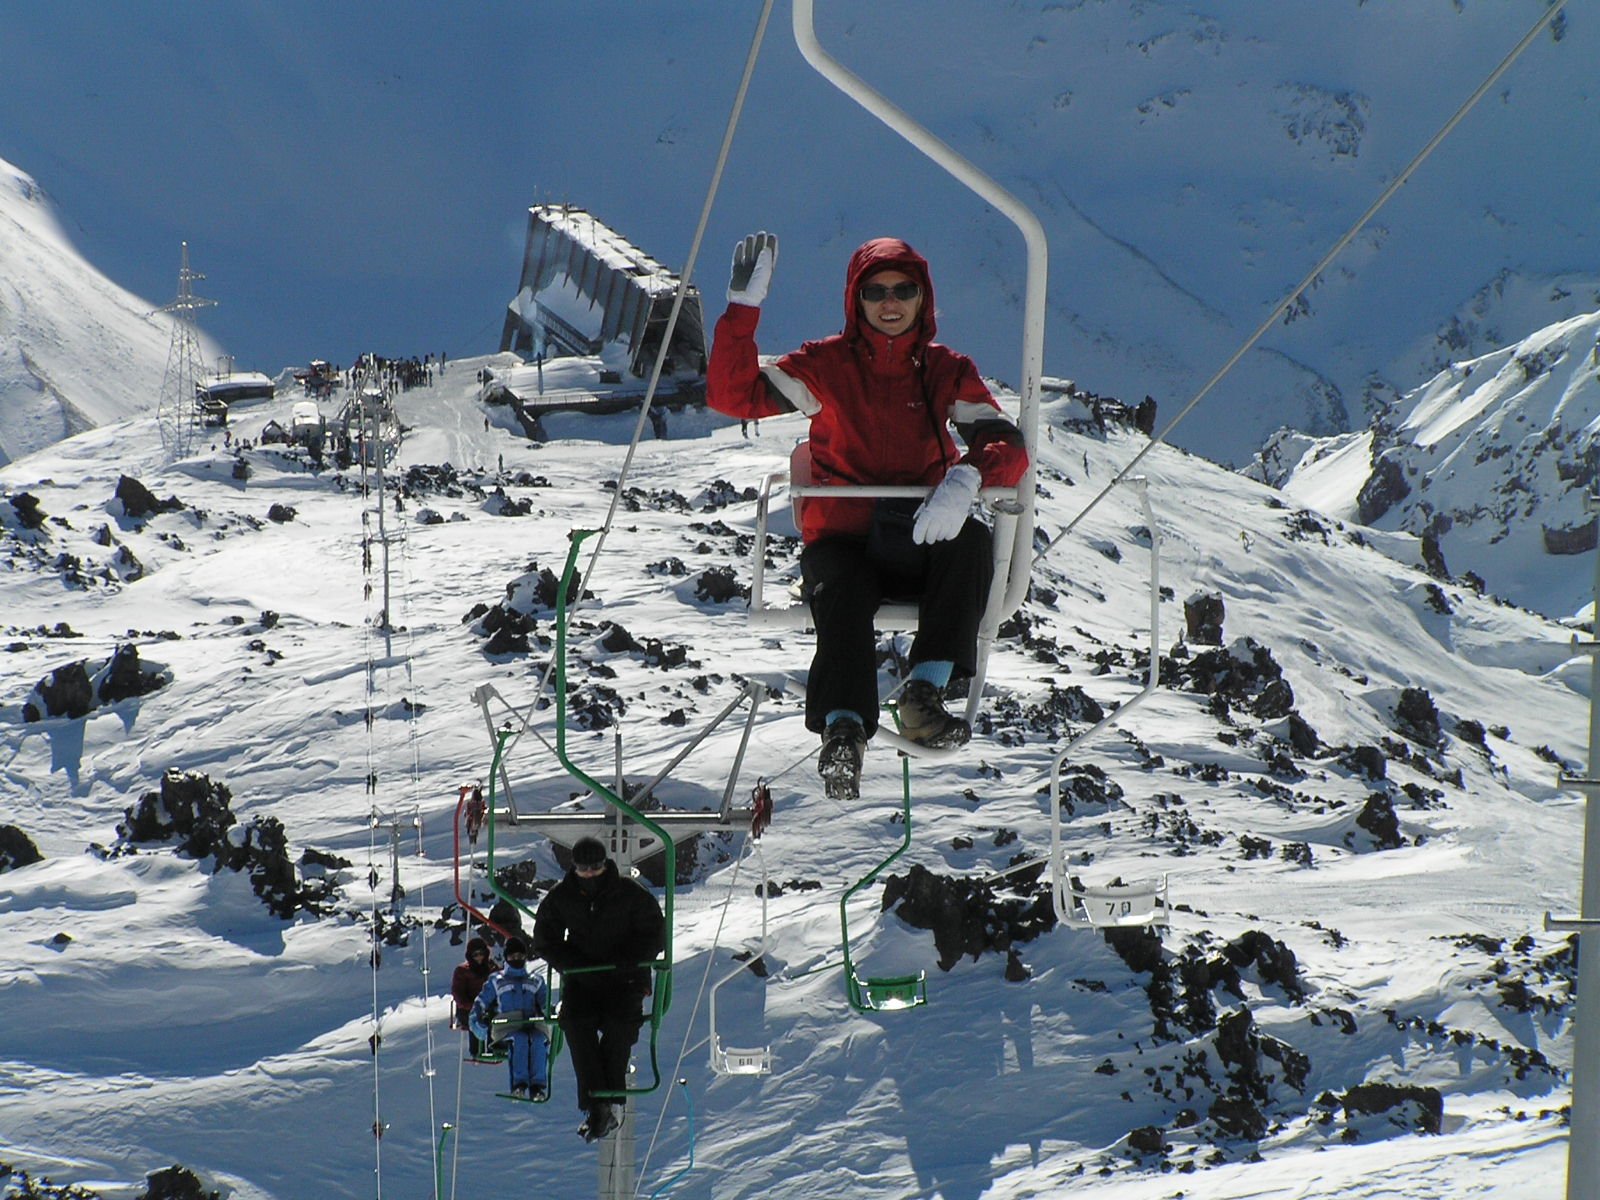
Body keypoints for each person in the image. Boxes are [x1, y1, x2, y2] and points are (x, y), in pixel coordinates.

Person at [706, 231, 1030, 800]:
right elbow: (736, 396)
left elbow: (1005, 440)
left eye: (904, 290)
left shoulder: (944, 372)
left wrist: (969, 476)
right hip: (844, 539)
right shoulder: (825, 366)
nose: (890, 302)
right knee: (843, 591)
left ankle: (923, 695)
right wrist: (742, 311)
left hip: (919, 532)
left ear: (922, 299)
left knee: (971, 543)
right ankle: (843, 731)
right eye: (875, 290)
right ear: (856, 299)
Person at [533, 836, 666, 1142]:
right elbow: (545, 939)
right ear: (574, 868)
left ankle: (606, 1102)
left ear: (605, 864)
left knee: (620, 1028)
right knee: (575, 1023)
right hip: (584, 980)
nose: (591, 874)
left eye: (596, 867)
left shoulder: (629, 893)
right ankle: (599, 1105)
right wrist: (572, 962)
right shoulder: (562, 897)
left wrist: (631, 959)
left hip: (626, 980)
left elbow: (654, 932)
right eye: (585, 869)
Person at [468, 936, 551, 1100]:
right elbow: (479, 1004)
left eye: (520, 957)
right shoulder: (497, 980)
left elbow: (545, 1003)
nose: (516, 960)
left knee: (538, 1040)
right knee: (519, 1040)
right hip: (507, 1025)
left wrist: (546, 1013)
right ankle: (519, 1084)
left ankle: (538, 1086)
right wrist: (480, 1025)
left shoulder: (536, 981)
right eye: (512, 957)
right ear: (506, 958)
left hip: (531, 1023)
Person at [451, 936, 496, 1059]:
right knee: (476, 1019)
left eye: (481, 954)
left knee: (495, 1018)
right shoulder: (462, 971)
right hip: (468, 1008)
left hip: (489, 1007)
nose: (479, 957)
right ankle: (476, 1050)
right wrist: (472, 1005)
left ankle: (495, 1046)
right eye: (475, 954)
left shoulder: (492, 967)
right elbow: (458, 994)